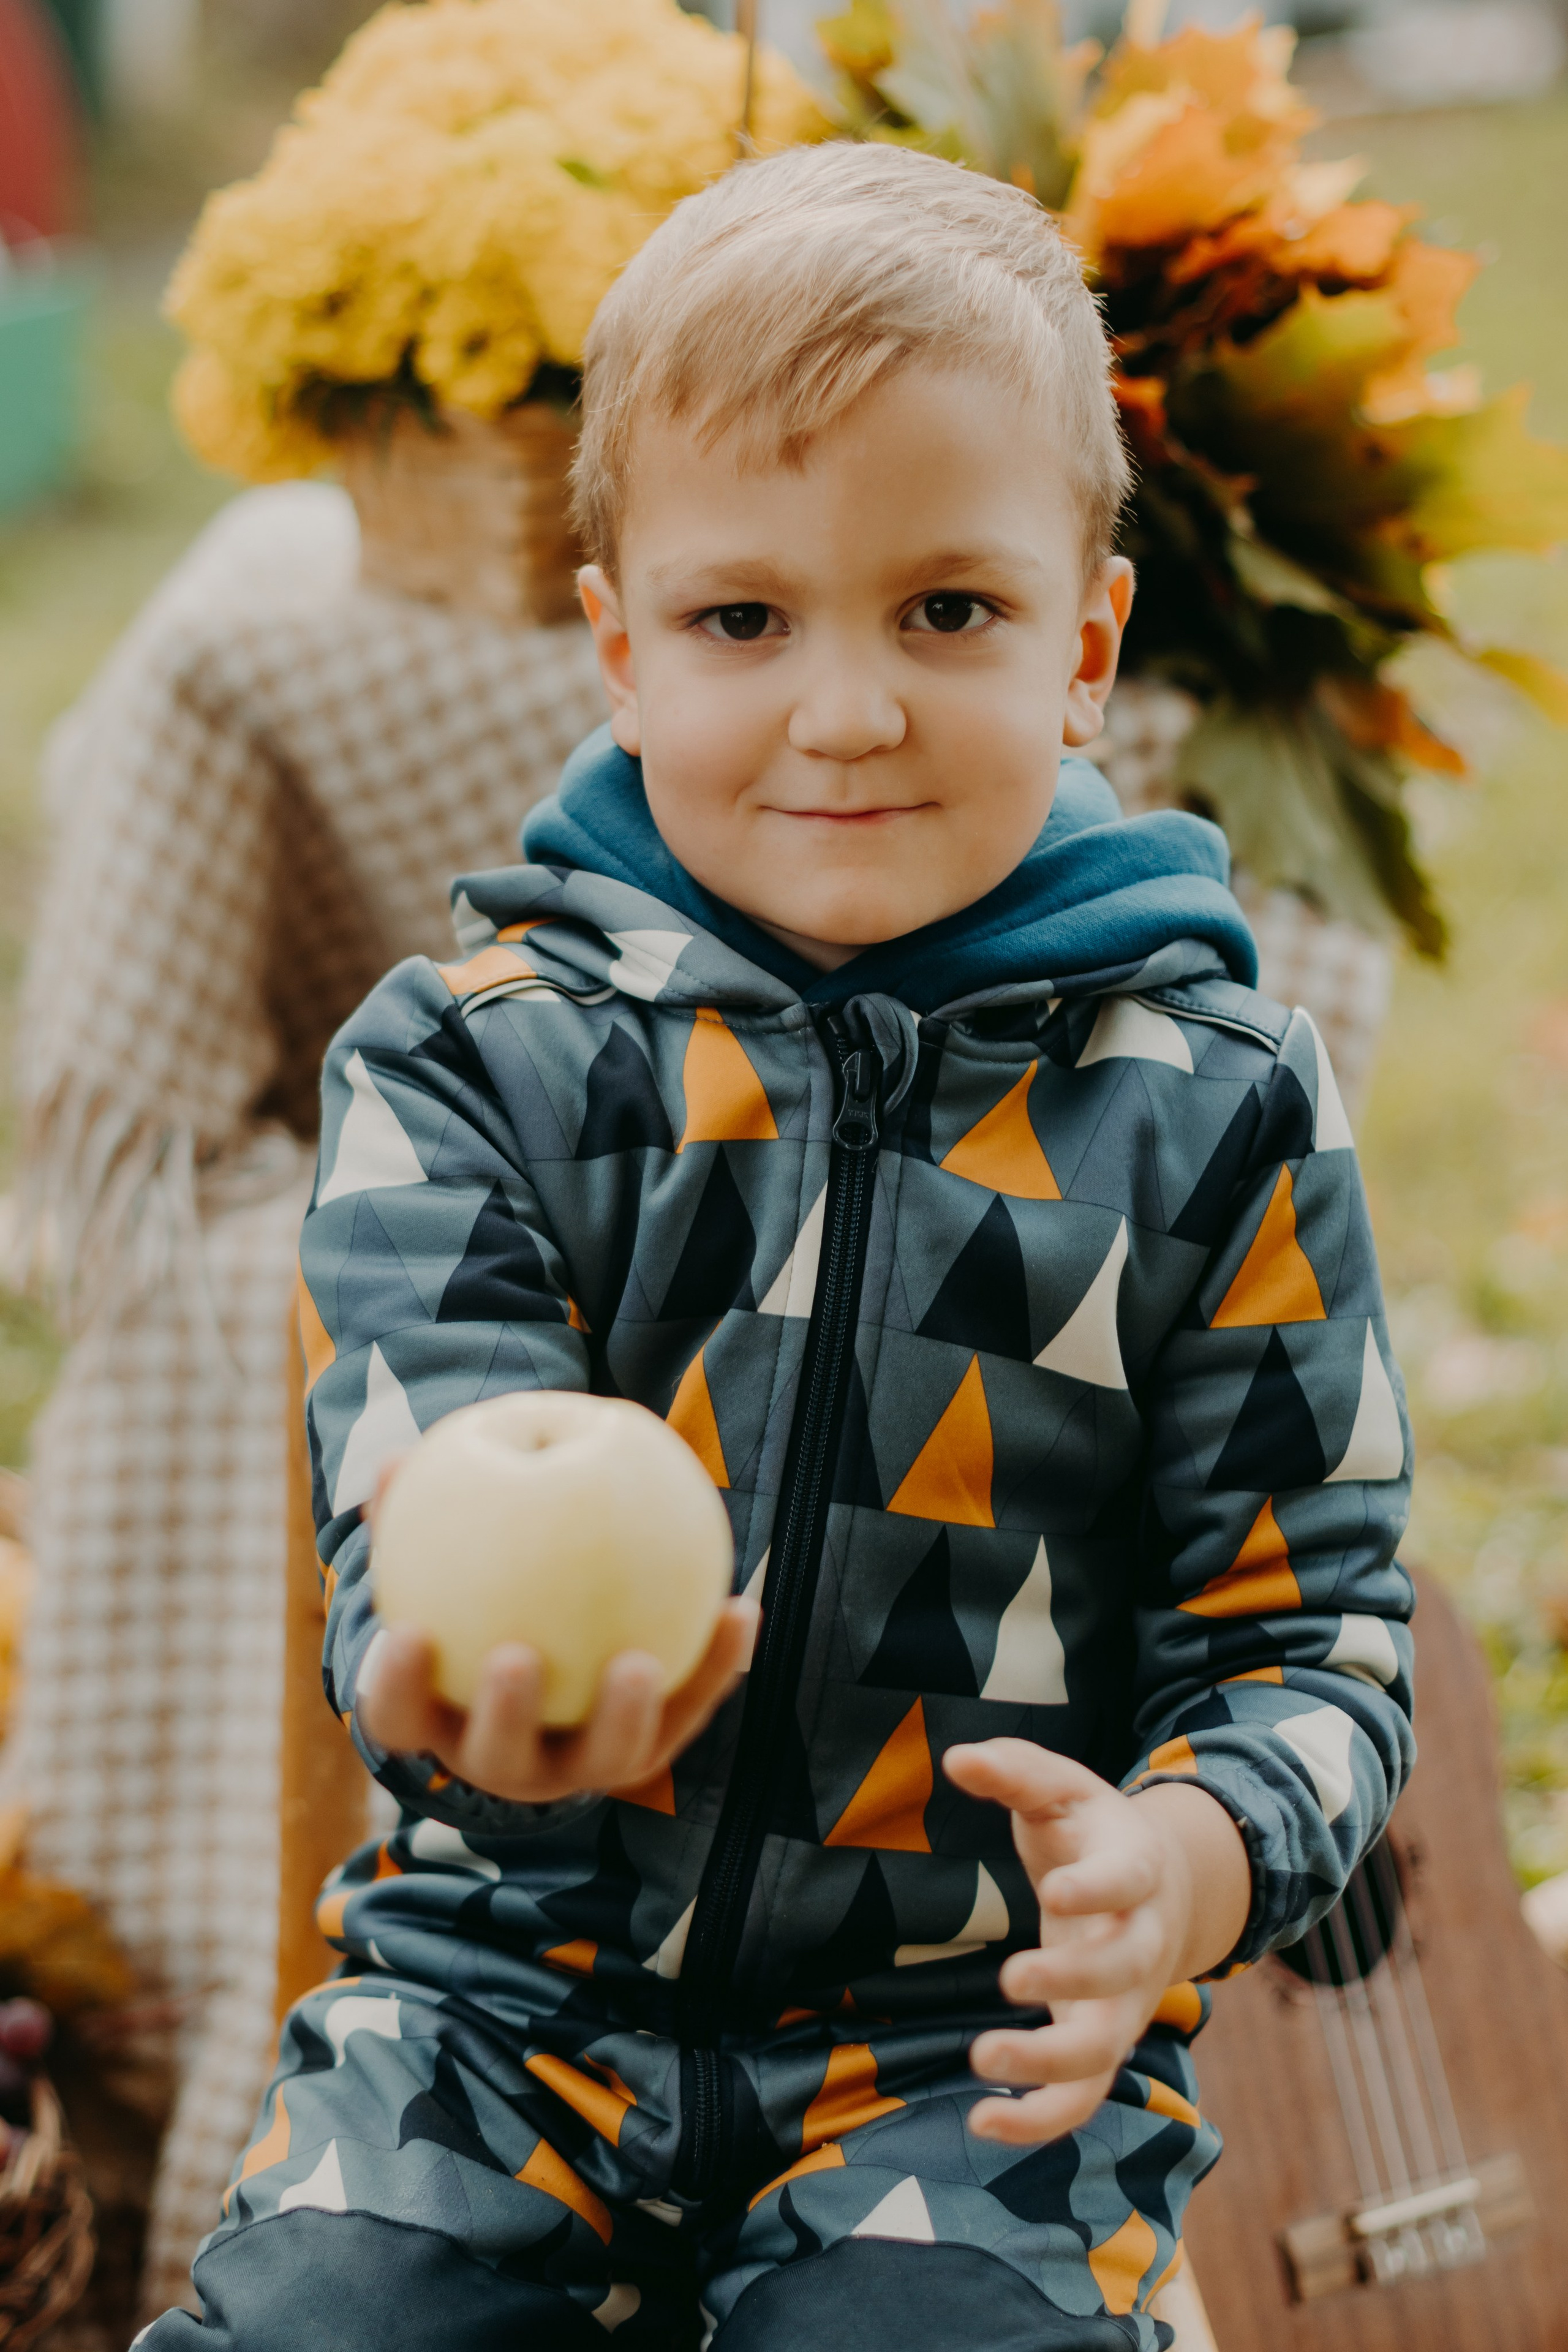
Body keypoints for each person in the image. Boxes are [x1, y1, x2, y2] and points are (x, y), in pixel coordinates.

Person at [141, 141, 1414, 2351]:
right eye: (748, 619)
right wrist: (465, 1700)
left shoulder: (1215, 1109)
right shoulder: (485, 1070)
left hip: (969, 2047)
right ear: (618, 646)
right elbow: (422, 1514)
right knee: (326, 2321)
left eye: (949, 609)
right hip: (494, 2004)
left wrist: (1192, 1860)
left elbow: (1319, 1635)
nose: (848, 710)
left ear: (1087, 644)